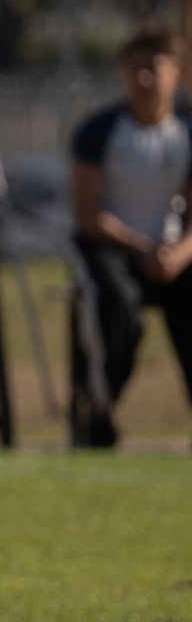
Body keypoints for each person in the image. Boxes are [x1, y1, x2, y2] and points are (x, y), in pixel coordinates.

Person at [68, 23, 192, 447]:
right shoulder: (100, 131)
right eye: (132, 69)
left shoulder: (186, 131)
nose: (141, 79)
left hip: (171, 249)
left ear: (177, 72)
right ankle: (96, 409)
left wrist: (178, 254)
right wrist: (144, 249)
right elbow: (87, 215)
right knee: (117, 307)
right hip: (111, 246)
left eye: (151, 68)